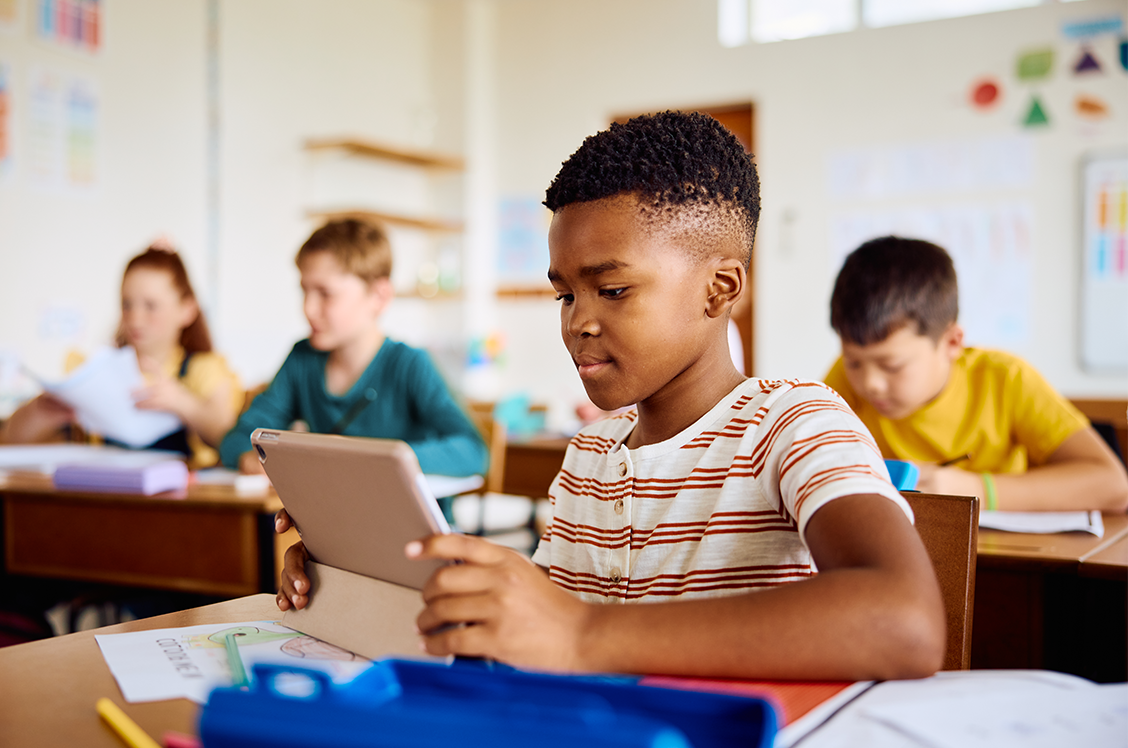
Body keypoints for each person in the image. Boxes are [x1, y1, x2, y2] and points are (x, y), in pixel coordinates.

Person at [277, 112, 945, 681]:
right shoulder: (593, 452)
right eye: (565, 293)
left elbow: (905, 622)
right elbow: (552, 611)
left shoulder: (795, 422)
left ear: (719, 290)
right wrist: (364, 565)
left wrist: (584, 635)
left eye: (613, 289)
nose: (577, 321)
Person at [823, 237, 1128, 513]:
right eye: (853, 362)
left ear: (952, 342)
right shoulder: (842, 381)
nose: (870, 383)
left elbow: (1114, 486)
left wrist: (977, 490)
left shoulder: (1004, 379)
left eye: (892, 366)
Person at [220, 217, 487, 479]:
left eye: (325, 294)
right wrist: (248, 457)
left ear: (379, 297)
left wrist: (384, 460)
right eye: (304, 291)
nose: (308, 309)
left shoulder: (409, 365)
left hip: (411, 520)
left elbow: (474, 451)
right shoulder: (302, 359)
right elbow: (238, 438)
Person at [0, 243, 243, 469]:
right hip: (107, 496)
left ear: (187, 310)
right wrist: (42, 411)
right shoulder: (95, 369)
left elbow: (227, 434)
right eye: (127, 304)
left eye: (150, 306)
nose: (135, 319)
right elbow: (6, 441)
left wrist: (181, 402)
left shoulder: (204, 368)